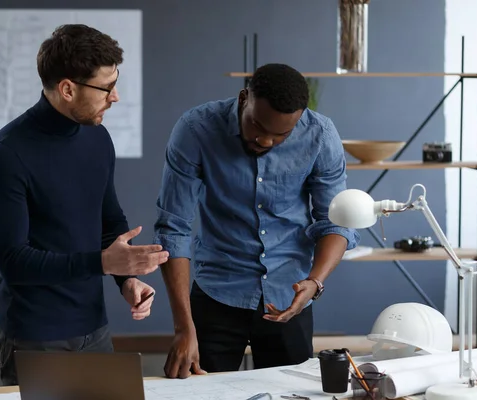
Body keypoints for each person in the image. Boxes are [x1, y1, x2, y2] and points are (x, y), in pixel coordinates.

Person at [0, 24, 169, 386]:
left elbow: (110, 220)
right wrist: (102, 262)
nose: (115, 97)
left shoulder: (97, 137)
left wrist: (126, 279)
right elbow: (14, 262)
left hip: (94, 327)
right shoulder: (6, 155)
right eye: (106, 87)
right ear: (68, 89)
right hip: (36, 335)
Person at [154, 63, 360, 378]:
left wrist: (314, 282)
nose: (265, 141)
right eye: (257, 126)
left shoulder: (320, 135)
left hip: (290, 295)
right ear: (243, 98)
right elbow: (173, 228)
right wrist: (184, 328)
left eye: (281, 135)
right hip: (217, 292)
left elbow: (334, 221)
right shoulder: (196, 129)